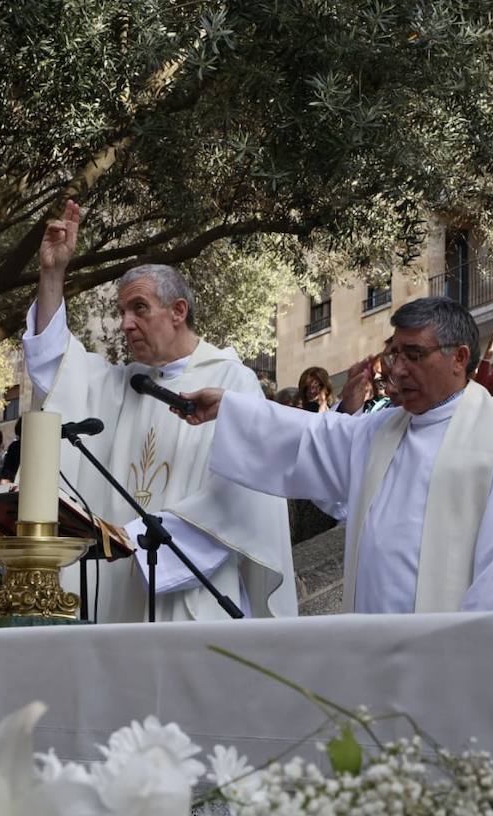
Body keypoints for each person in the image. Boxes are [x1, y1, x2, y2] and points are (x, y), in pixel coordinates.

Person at [174, 296, 493, 614]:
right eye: (394, 354)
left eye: (414, 355)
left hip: (448, 659)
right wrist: (229, 407)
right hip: (370, 649)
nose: (398, 370)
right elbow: (309, 436)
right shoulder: (380, 430)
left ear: (460, 357)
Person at [21, 200, 297, 622]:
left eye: (139, 309)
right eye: (122, 313)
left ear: (178, 311)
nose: (126, 324)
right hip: (119, 588)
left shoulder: (231, 382)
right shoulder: (119, 383)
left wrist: (137, 538)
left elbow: (242, 496)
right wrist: (52, 273)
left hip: (195, 593)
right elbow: (53, 364)